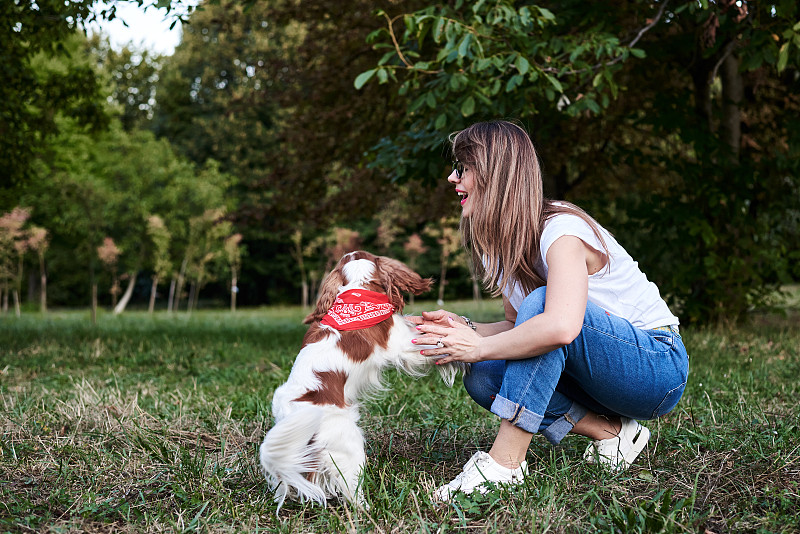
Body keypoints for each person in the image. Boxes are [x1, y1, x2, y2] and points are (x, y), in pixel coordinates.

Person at [409, 120, 689, 501]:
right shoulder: (500, 245)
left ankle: (505, 464)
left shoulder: (561, 229)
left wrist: (476, 346)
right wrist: (466, 327)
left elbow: (558, 326)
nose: (451, 178)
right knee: (484, 377)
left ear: (493, 173)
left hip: (655, 368)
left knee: (541, 307)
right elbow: (514, 324)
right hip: (596, 375)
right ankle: (613, 433)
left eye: (462, 168)